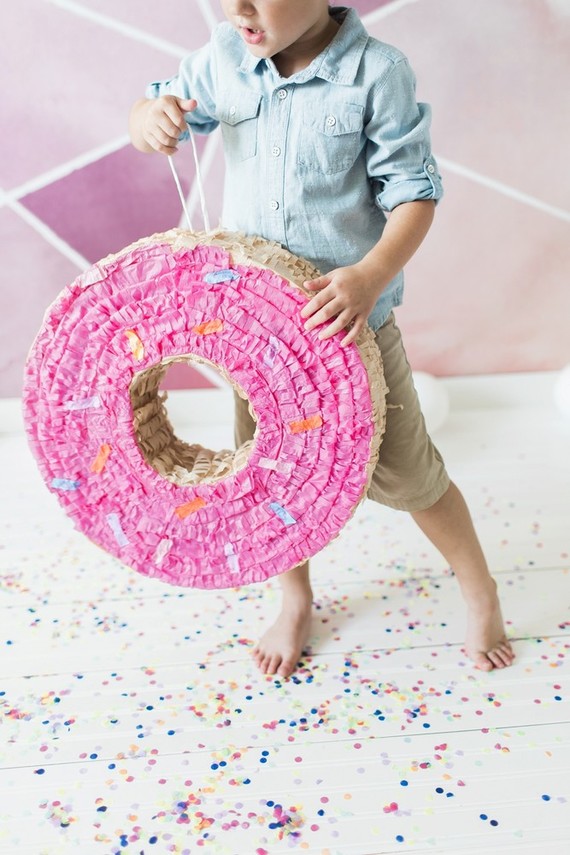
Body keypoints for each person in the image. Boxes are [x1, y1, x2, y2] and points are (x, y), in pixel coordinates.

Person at [129, 1, 515, 678]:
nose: (239, 8)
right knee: (271, 471)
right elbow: (160, 108)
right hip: (255, 333)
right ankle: (295, 594)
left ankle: (478, 587)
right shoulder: (224, 60)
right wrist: (150, 119)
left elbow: (416, 194)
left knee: (411, 472)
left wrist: (370, 275)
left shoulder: (376, 74)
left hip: (347, 324)